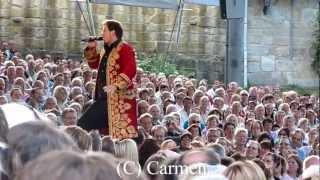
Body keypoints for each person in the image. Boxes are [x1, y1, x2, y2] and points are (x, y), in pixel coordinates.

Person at [79, 19, 138, 139]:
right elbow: (94, 65)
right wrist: (91, 48)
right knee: (99, 133)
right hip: (104, 99)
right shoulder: (105, 50)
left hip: (116, 100)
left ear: (113, 32)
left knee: (82, 125)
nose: (102, 33)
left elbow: (130, 69)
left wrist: (116, 85)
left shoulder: (125, 48)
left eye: (104, 30)